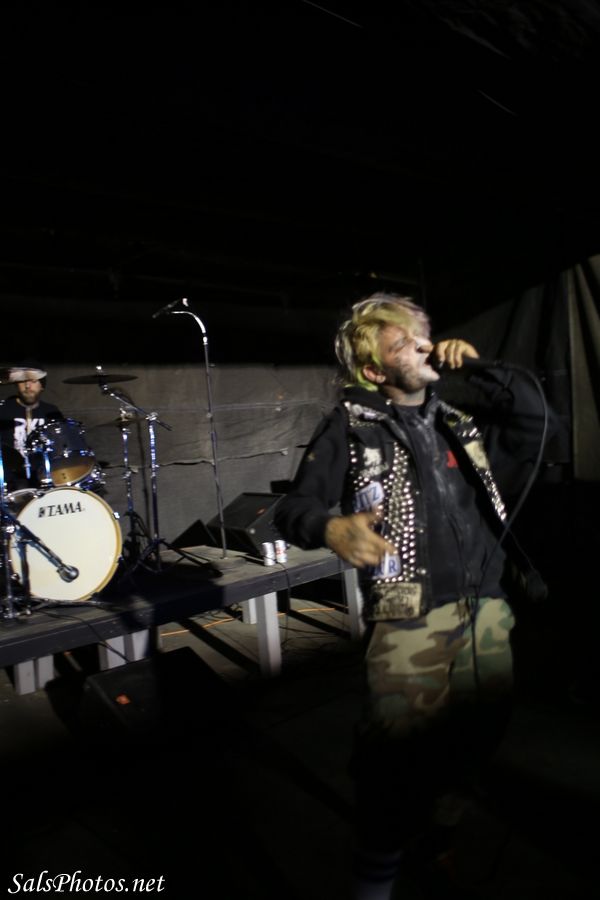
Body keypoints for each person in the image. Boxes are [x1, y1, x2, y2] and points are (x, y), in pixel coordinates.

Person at [274, 293, 554, 900]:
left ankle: (437, 838)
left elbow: (536, 425)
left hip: (486, 607)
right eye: (402, 342)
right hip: (410, 616)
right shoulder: (351, 426)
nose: (423, 345)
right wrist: (329, 527)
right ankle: (375, 878)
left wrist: (485, 371)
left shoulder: (459, 422)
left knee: (479, 735)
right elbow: (294, 507)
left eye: (422, 334)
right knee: (392, 756)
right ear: (374, 370)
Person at [0, 362, 64, 492]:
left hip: (45, 476)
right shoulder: (3, 410)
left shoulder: (51, 411)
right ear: (16, 384)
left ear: (42, 385)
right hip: (9, 479)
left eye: (33, 381)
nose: (27, 386)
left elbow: (62, 446)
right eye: (23, 381)